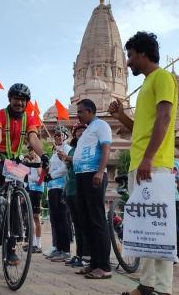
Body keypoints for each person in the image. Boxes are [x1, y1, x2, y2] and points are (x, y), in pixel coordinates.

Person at [109, 31, 178, 295]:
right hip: (141, 162)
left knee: (159, 229)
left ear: (142, 53)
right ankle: (147, 285)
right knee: (147, 229)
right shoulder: (149, 83)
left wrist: (149, 158)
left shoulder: (162, 78)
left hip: (155, 163)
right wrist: (121, 116)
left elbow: (164, 119)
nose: (127, 62)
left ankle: (163, 288)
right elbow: (141, 127)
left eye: (130, 56)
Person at [0, 83, 49, 266]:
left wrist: (43, 156)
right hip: (0, 155)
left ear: (27, 102)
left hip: (17, 162)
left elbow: (33, 139)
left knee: (17, 201)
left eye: (23, 100)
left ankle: (10, 249)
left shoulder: (31, 118)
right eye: (16, 99)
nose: (19, 103)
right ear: (10, 99)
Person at [73, 99, 112, 279]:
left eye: (80, 112)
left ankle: (104, 266)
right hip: (81, 177)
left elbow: (106, 149)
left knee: (97, 220)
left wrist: (100, 171)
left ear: (89, 111)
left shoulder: (101, 125)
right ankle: (94, 263)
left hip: (93, 176)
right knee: (86, 220)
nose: (78, 115)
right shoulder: (88, 129)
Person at [59, 122, 89, 268]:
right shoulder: (72, 149)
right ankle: (78, 254)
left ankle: (85, 255)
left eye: (83, 130)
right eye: (78, 131)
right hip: (70, 187)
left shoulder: (86, 148)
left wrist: (67, 157)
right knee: (76, 223)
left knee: (84, 223)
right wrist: (64, 190)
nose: (80, 133)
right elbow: (68, 170)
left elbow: (80, 161)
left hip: (81, 187)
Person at [44, 127, 72, 262]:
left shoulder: (66, 149)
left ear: (65, 136)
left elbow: (65, 168)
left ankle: (65, 250)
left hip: (61, 186)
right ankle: (58, 247)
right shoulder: (54, 152)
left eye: (60, 135)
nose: (58, 137)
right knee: (54, 220)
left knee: (62, 219)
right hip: (51, 187)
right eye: (55, 135)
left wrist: (51, 175)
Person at [25, 146, 44, 253]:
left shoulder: (38, 161)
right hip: (31, 190)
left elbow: (40, 177)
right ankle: (32, 243)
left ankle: (38, 245)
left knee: (36, 217)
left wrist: (31, 177)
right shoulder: (32, 161)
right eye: (29, 150)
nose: (30, 152)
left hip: (37, 190)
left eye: (32, 150)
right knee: (31, 217)